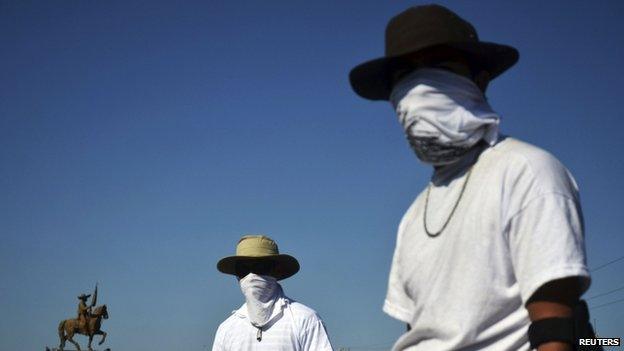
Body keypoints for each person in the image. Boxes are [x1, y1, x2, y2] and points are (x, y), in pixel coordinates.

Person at [349, 4, 598, 351]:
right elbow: (418, 328)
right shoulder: (413, 216)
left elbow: (556, 328)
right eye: (405, 75)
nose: (420, 88)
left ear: (478, 80)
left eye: (438, 66)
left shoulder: (526, 172)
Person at [212, 235, 334, 351]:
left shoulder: (305, 319)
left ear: (275, 270)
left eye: (260, 267)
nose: (252, 275)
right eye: (243, 269)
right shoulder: (226, 329)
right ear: (237, 276)